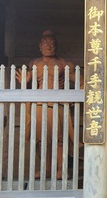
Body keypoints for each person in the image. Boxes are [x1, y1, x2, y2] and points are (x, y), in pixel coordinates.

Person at [16, 30, 81, 179]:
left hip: (58, 104)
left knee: (59, 138)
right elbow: (29, 87)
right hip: (39, 104)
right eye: (45, 43)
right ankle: (46, 169)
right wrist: (25, 83)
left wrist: (73, 97)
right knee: (41, 139)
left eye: (52, 43)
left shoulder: (64, 64)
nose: (49, 46)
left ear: (56, 46)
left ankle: (61, 169)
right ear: (40, 46)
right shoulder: (34, 64)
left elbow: (81, 82)